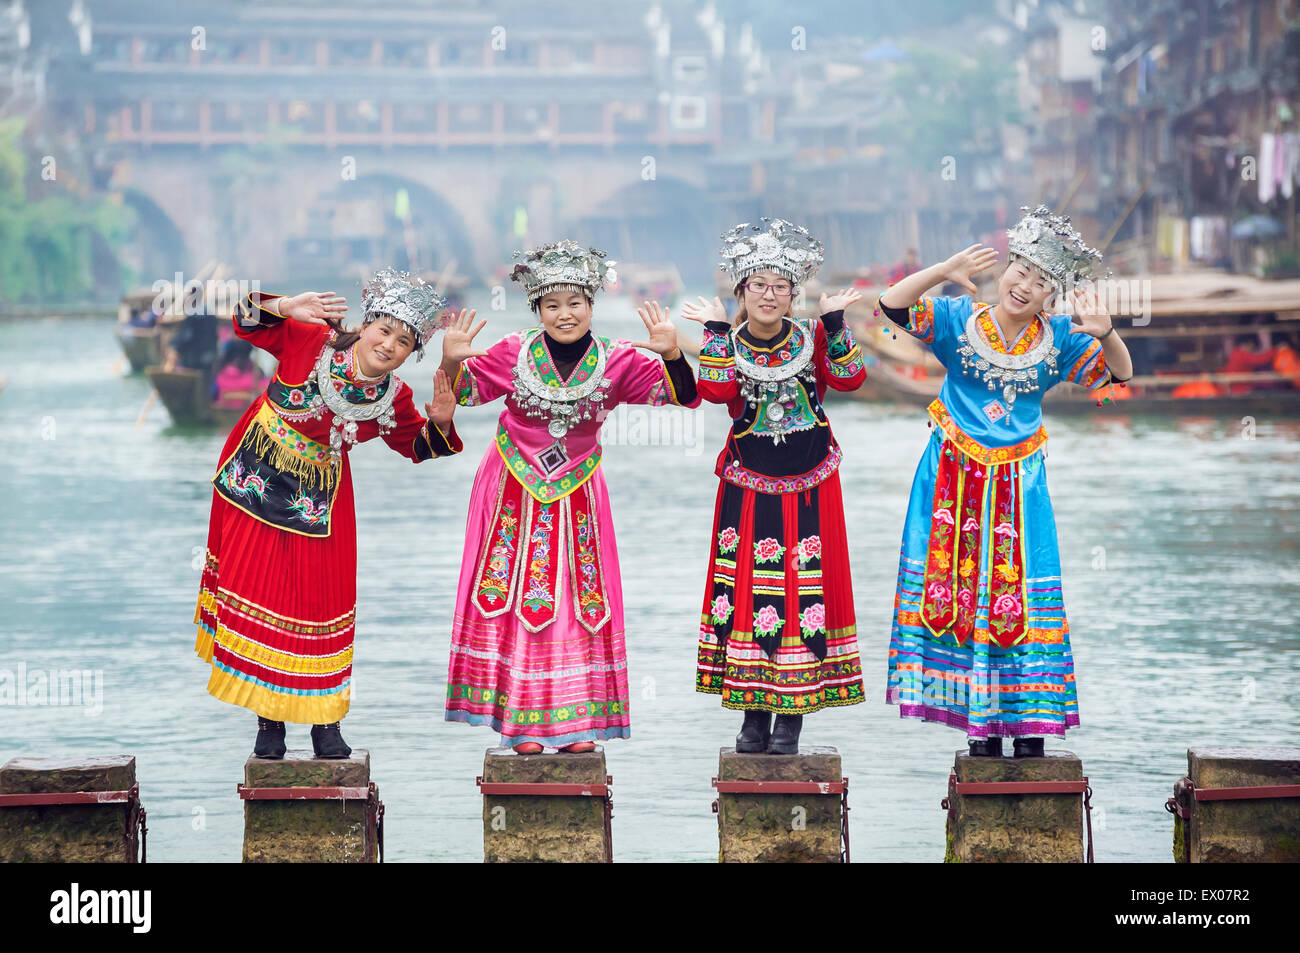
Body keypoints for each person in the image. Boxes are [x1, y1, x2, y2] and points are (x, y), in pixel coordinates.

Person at [877, 206, 1133, 758]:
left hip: (1020, 486)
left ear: (1051, 297)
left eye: (1042, 282)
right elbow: (891, 305)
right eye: (1021, 270)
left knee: (1017, 596)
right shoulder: (954, 320)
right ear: (1003, 271)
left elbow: (1120, 375)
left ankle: (1031, 729)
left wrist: (1107, 332)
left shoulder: (1061, 339)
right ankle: (981, 731)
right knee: (966, 595)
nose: (1025, 285)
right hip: (952, 480)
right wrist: (943, 268)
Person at [441, 240, 699, 753]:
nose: (565, 314)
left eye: (575, 302)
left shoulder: (619, 359)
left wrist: (672, 351)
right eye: (552, 305)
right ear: (537, 310)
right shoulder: (513, 353)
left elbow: (684, 396)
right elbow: (458, 397)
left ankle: (575, 725)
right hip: (512, 486)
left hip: (579, 491)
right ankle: (520, 727)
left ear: (591, 306)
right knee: (515, 599)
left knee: (577, 601)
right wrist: (448, 362)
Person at [194, 269, 463, 760]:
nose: (389, 345)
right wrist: (284, 306)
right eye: (384, 330)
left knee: (322, 605)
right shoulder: (311, 340)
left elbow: (418, 446)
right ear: (365, 326)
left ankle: (325, 725)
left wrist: (441, 423)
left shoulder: (394, 397)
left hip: (321, 498)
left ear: (410, 354)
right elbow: (242, 321)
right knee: (263, 594)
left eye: (404, 342)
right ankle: (269, 725)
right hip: (255, 481)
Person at [680, 218, 868, 755]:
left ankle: (792, 719)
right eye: (758, 285)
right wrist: (715, 331)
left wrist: (835, 321)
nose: (769, 295)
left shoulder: (811, 338)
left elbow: (853, 379)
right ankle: (752, 715)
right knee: (748, 596)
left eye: (780, 286)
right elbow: (715, 393)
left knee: (804, 593)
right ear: (741, 291)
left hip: (812, 489)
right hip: (750, 492)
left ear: (793, 293)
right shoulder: (726, 341)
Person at [211, 338, 266, 410]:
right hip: (231, 414)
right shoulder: (228, 374)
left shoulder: (221, 373)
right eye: (246, 357)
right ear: (237, 359)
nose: (248, 360)